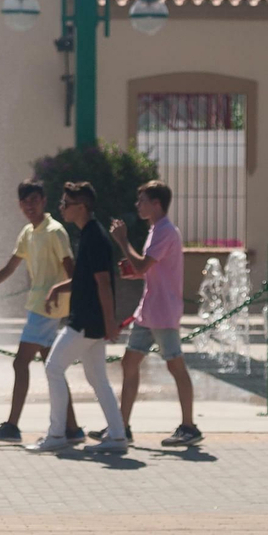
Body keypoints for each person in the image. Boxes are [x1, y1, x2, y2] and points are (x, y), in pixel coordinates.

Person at [0, 179, 82, 444]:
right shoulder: (29, 233)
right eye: (24, 202)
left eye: (34, 200)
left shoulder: (55, 231)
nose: (29, 206)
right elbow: (9, 268)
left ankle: (12, 425)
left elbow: (72, 270)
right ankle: (73, 429)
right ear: (20, 205)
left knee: (20, 363)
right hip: (39, 306)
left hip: (47, 308)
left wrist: (60, 294)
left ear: (43, 201)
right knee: (55, 369)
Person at [28, 181, 129, 454]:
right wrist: (57, 289)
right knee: (98, 378)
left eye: (66, 204)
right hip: (90, 319)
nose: (62, 208)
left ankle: (56, 434)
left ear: (81, 207)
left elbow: (103, 283)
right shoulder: (88, 234)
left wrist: (110, 321)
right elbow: (83, 278)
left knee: (53, 368)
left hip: (87, 320)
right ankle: (118, 437)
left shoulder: (94, 237)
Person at [106, 180, 201, 447]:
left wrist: (123, 241)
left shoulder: (165, 231)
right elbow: (145, 269)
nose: (138, 205)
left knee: (175, 365)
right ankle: (121, 426)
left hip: (162, 312)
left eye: (142, 200)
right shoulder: (156, 230)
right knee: (129, 363)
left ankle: (189, 426)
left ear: (156, 204)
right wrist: (133, 268)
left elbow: (143, 264)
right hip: (149, 311)